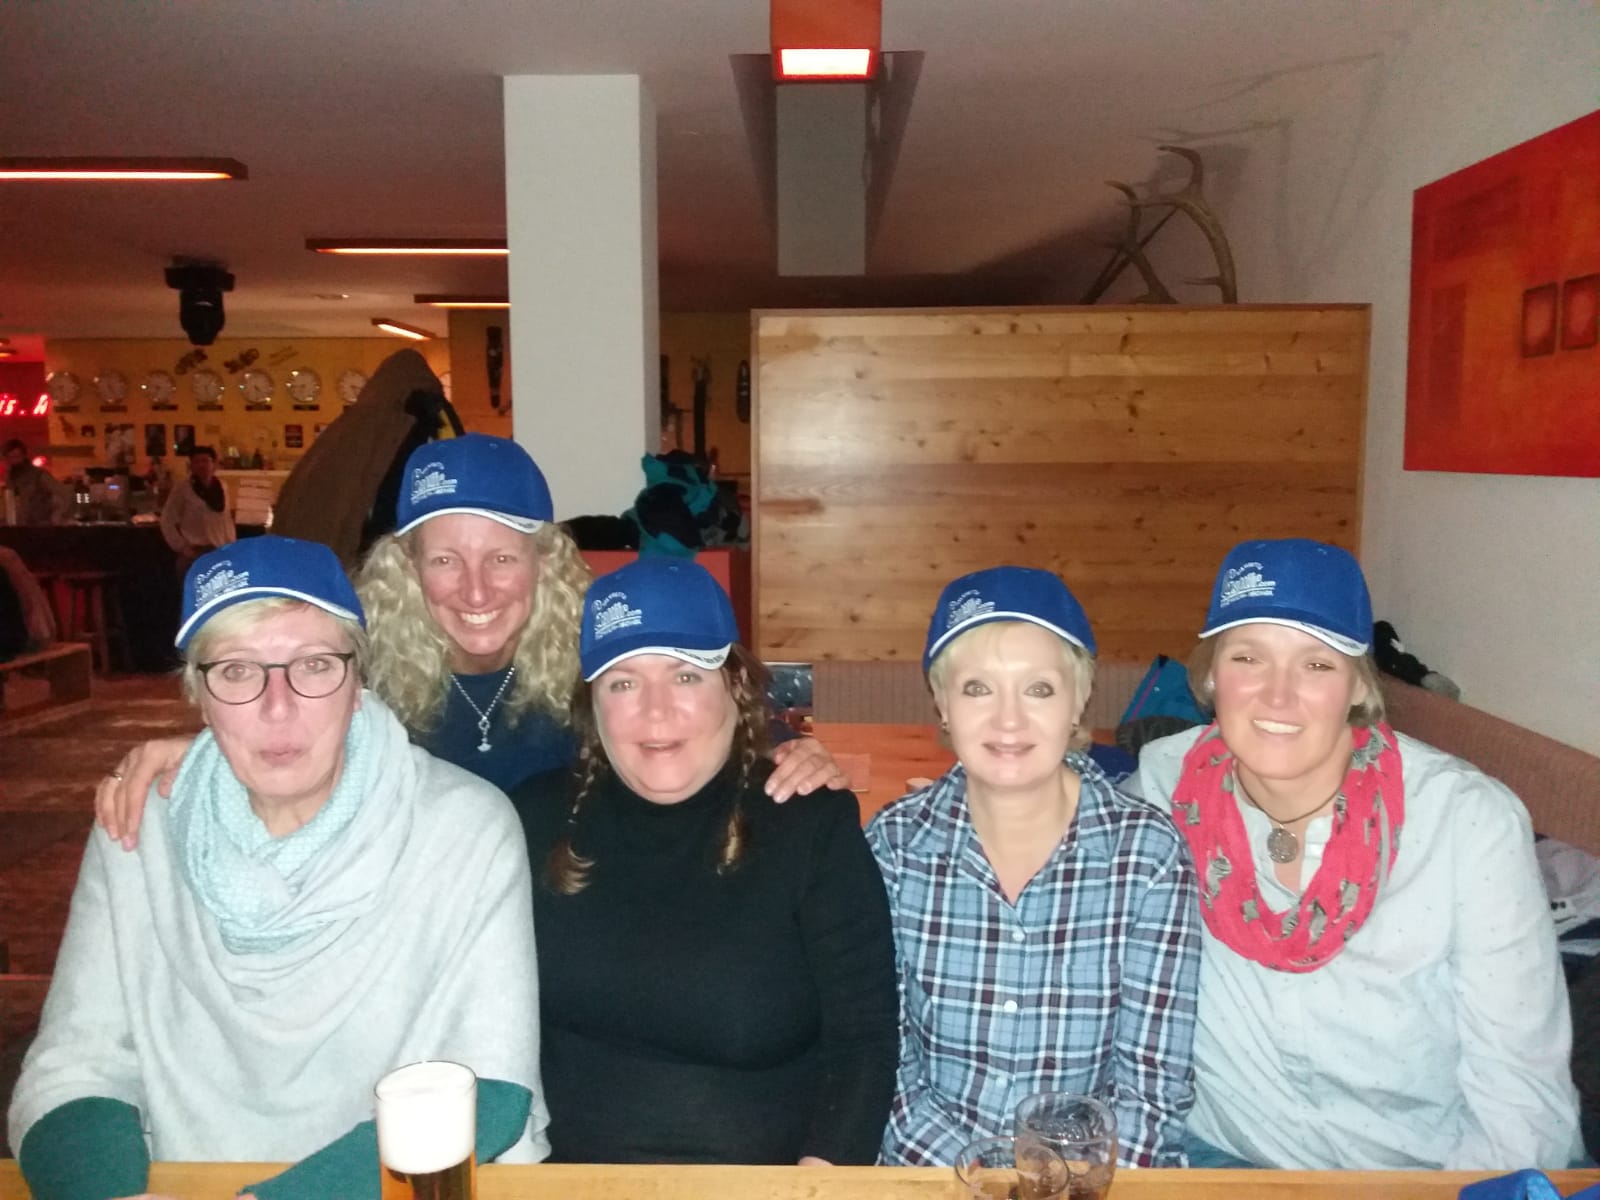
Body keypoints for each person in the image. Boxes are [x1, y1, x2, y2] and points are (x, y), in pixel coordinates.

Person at [7, 535, 547, 1200]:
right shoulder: (140, 824)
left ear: (358, 682)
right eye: (238, 671)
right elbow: (73, 1067)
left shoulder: (462, 828)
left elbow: (488, 1086)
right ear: (198, 694)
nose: (278, 705)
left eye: (314, 666)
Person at [97, 434, 842, 838]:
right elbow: (279, 709)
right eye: (446, 560)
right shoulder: (357, 667)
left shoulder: (601, 645)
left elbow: (707, 701)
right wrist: (202, 755)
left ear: (545, 561)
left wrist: (791, 749)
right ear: (406, 567)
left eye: (502, 559)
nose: (476, 592)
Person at [1133, 537, 1580, 1170]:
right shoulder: (1165, 784)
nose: (1277, 695)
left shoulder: (1467, 823)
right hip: (1220, 1155)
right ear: (1210, 677)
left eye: (1317, 664)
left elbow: (1522, 1098)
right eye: (1248, 658)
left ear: (1357, 687)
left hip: (1421, 1175)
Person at [514, 556, 898, 1164]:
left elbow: (863, 1039)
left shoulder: (809, 823)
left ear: (735, 688)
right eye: (623, 682)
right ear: (592, 704)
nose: (656, 710)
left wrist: (816, 1183)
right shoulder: (530, 821)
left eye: (686, 676)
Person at [870, 566, 1200, 1168]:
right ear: (942, 704)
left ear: (1078, 701)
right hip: (932, 1175)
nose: (1009, 720)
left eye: (1039, 689)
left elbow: (1151, 1093)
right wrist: (983, 1181)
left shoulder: (1147, 855)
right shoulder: (893, 847)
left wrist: (1062, 1185)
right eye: (978, 688)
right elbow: (883, 1069)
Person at [159, 445, 235, 565]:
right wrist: (182, 547)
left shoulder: (222, 487)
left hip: (220, 550)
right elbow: (167, 520)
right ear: (191, 466)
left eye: (205, 461)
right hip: (195, 551)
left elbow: (226, 519)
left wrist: (232, 545)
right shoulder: (183, 488)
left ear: (213, 464)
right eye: (196, 461)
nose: (201, 465)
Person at [3, 438, 70, 525]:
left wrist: (56, 518)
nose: (14, 461)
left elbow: (64, 495)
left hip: (40, 526)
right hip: (20, 526)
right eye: (10, 457)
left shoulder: (38, 475)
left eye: (17, 456)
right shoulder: (10, 479)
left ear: (24, 455)